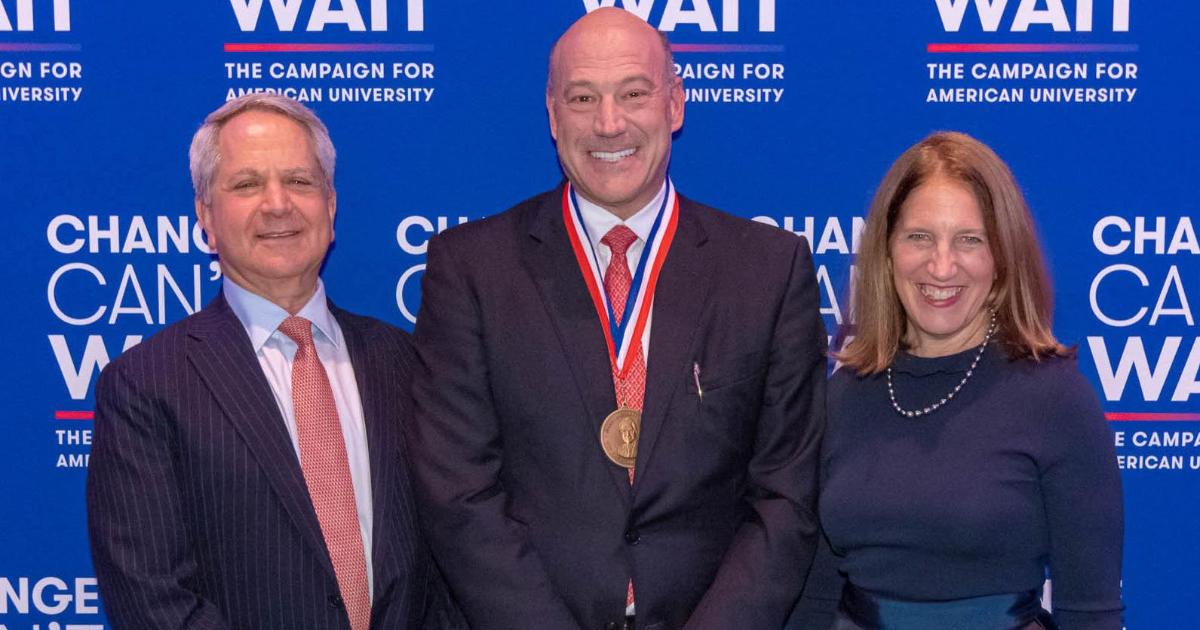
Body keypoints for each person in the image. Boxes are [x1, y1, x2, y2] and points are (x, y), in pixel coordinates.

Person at [407, 7, 827, 630]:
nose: (609, 123)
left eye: (633, 93)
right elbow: (460, 493)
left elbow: (785, 497)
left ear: (675, 105)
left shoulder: (768, 270)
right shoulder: (470, 269)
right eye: (582, 98)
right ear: (552, 116)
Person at [87, 93, 457, 630]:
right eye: (246, 184)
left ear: (331, 205)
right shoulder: (145, 384)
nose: (278, 203)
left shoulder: (404, 361)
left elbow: (450, 562)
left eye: (300, 181)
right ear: (205, 216)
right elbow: (153, 600)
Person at [791, 131, 1123, 629]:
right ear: (886, 250)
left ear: (1002, 259)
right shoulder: (842, 394)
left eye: (969, 240)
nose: (941, 266)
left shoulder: (1056, 399)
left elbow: (1090, 613)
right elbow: (813, 597)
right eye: (919, 236)